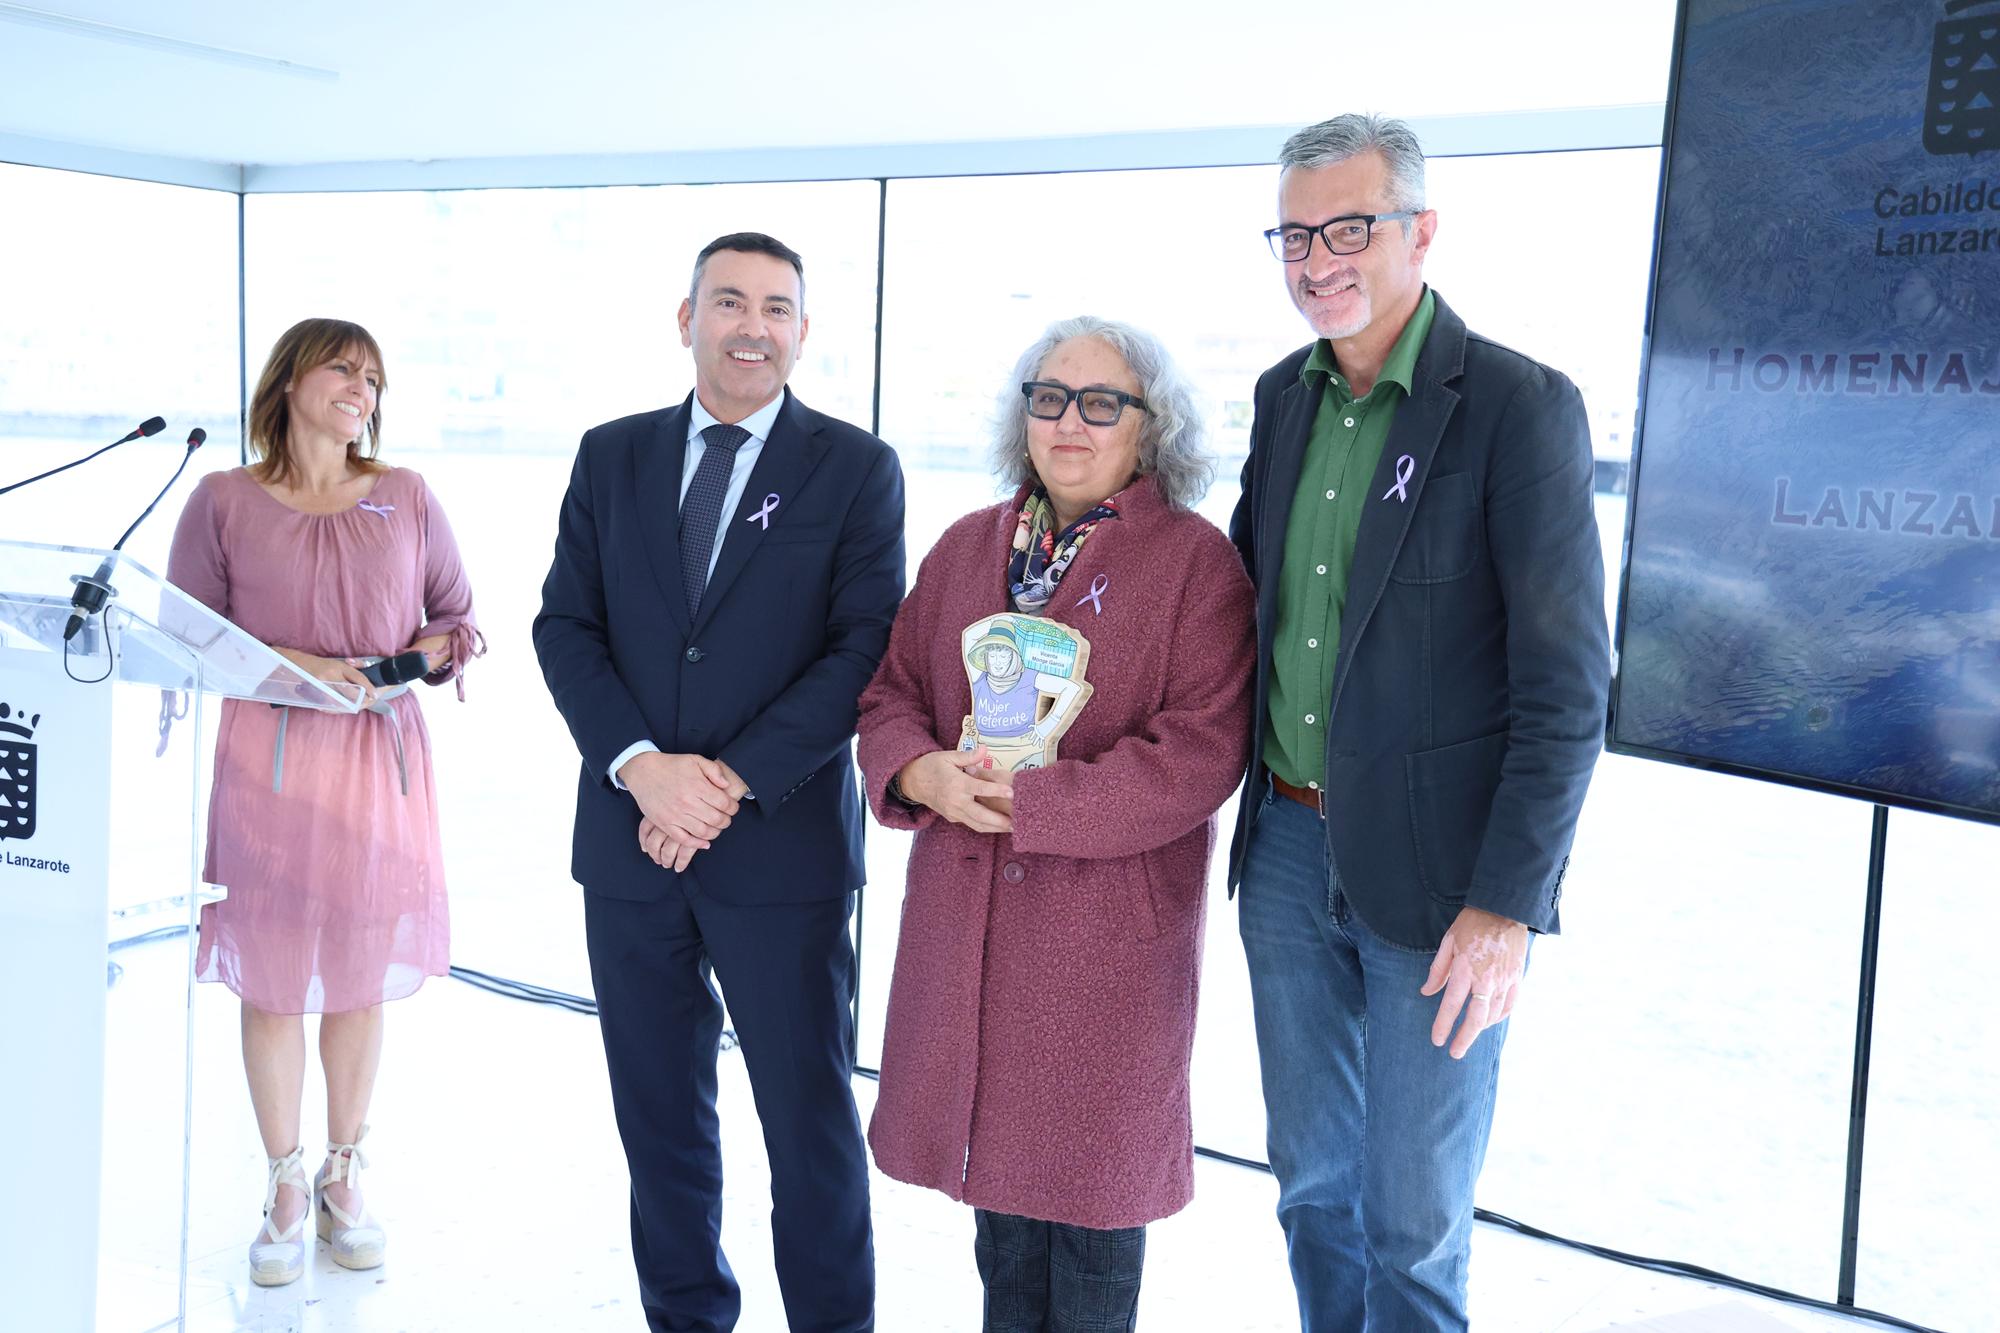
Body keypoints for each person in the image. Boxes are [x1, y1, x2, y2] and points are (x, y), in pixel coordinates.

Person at [1227, 113, 1612, 1331]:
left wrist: (1507, 905)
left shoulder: (1516, 405)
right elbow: (1237, 605)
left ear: (1420, 231)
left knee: (1411, 1221)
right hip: (1284, 853)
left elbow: (1567, 688)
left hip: (1445, 884)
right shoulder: (1278, 401)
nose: (1316, 260)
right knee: (1310, 1188)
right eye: (1294, 236)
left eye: (1348, 228)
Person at [533, 232, 902, 1333]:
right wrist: (642, 768)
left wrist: (725, 783)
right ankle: (685, 1316)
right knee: (658, 1120)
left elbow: (862, 651)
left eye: (777, 308)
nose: (753, 326)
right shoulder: (612, 456)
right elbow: (565, 626)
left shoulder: (855, 468)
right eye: (730, 301)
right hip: (630, 844)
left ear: (803, 331)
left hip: (781, 853)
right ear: (685, 318)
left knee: (808, 1124)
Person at [858, 316, 1254, 1332]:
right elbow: (891, 694)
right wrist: (917, 770)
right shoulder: (966, 547)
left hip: (1104, 953)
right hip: (970, 931)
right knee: (999, 1220)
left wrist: (1029, 804)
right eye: (1048, 398)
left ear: (1150, 425)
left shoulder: (1197, 565)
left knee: (1091, 1224)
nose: (1068, 422)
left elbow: (1198, 754)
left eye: (1100, 403)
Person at [166, 317, 483, 1287]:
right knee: (269, 977)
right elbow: (184, 633)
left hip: (376, 762)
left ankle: (345, 1173)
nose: (361, 388)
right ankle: (285, 1183)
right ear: (290, 380)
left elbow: (456, 621)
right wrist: (292, 662)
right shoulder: (222, 500)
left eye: (373, 377)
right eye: (343, 367)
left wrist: (395, 666)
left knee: (355, 972)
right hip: (266, 764)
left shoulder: (406, 495)